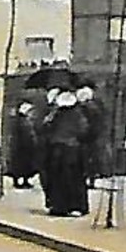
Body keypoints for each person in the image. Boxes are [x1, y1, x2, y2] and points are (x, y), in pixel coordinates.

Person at [40, 89, 89, 217]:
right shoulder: (78, 115)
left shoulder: (56, 115)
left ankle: (59, 206)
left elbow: (45, 130)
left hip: (57, 150)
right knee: (74, 179)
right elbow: (84, 131)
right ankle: (76, 206)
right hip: (73, 150)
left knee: (57, 180)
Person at [5, 100, 40, 189]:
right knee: (20, 164)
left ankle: (24, 180)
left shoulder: (23, 120)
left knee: (25, 165)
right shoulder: (21, 121)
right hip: (21, 146)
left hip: (25, 146)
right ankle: (18, 180)